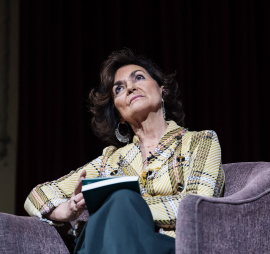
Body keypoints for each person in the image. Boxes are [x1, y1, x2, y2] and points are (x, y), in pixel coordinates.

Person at [24, 49, 225, 254]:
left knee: (121, 199)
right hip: (104, 245)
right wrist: (68, 209)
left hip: (163, 247)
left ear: (162, 90)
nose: (130, 88)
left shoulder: (200, 141)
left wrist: (119, 207)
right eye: (118, 89)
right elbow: (37, 195)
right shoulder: (110, 160)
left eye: (138, 77)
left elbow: (196, 206)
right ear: (119, 115)